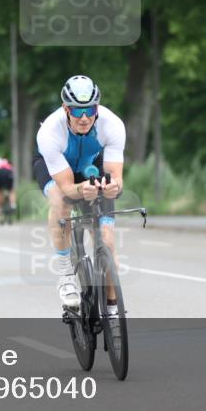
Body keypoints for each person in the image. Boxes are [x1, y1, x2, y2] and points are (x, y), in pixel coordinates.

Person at [33, 75, 125, 315]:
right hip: (55, 168)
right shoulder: (50, 132)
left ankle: (113, 310)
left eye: (90, 110)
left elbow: (116, 177)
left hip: (91, 165)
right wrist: (80, 189)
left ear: (97, 107)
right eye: (76, 110)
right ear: (66, 108)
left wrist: (113, 186)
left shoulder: (113, 125)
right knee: (61, 202)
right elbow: (66, 187)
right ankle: (65, 273)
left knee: (107, 242)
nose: (84, 117)